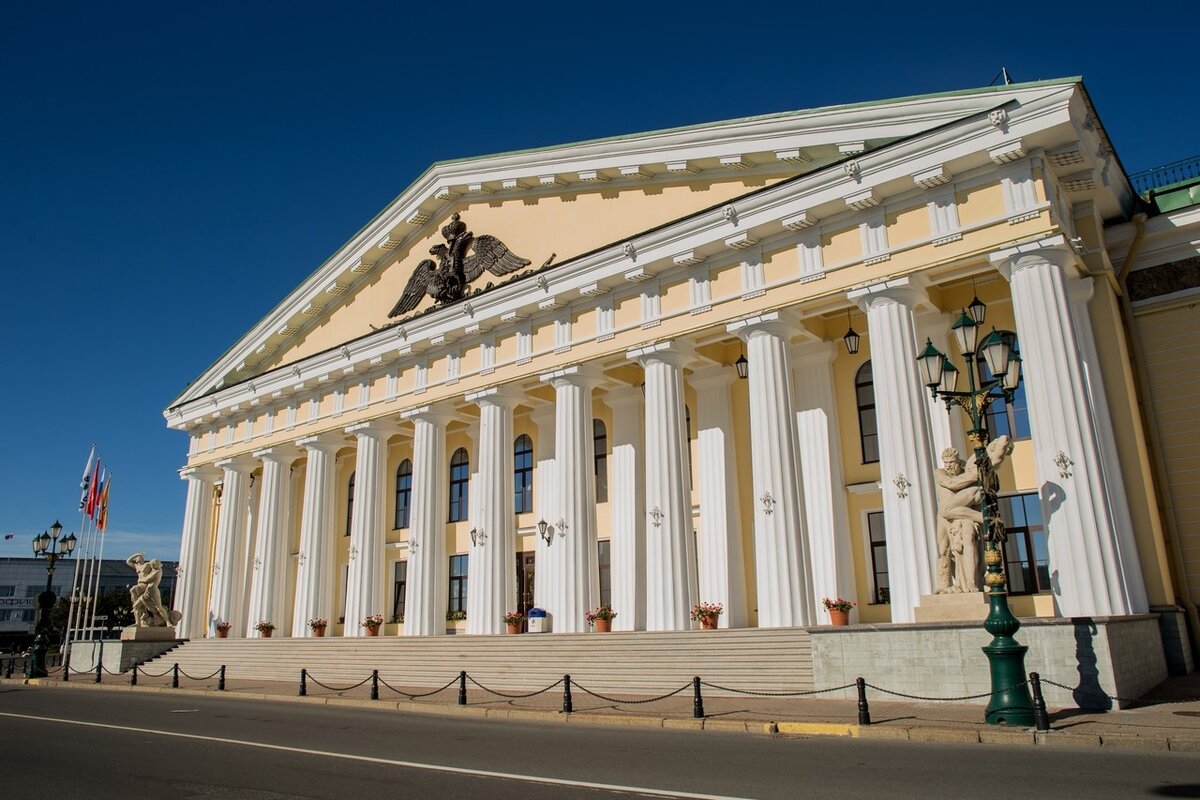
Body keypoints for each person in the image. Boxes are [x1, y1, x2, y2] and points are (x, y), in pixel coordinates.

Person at [126, 553, 173, 628]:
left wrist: (141, 580)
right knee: (136, 606)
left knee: (159, 607)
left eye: (154, 564)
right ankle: (139, 622)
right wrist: (137, 553)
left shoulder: (156, 571)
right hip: (147, 591)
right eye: (153, 564)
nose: (152, 565)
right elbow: (128, 561)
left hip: (152, 590)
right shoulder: (141, 567)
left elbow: (146, 579)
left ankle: (168, 622)